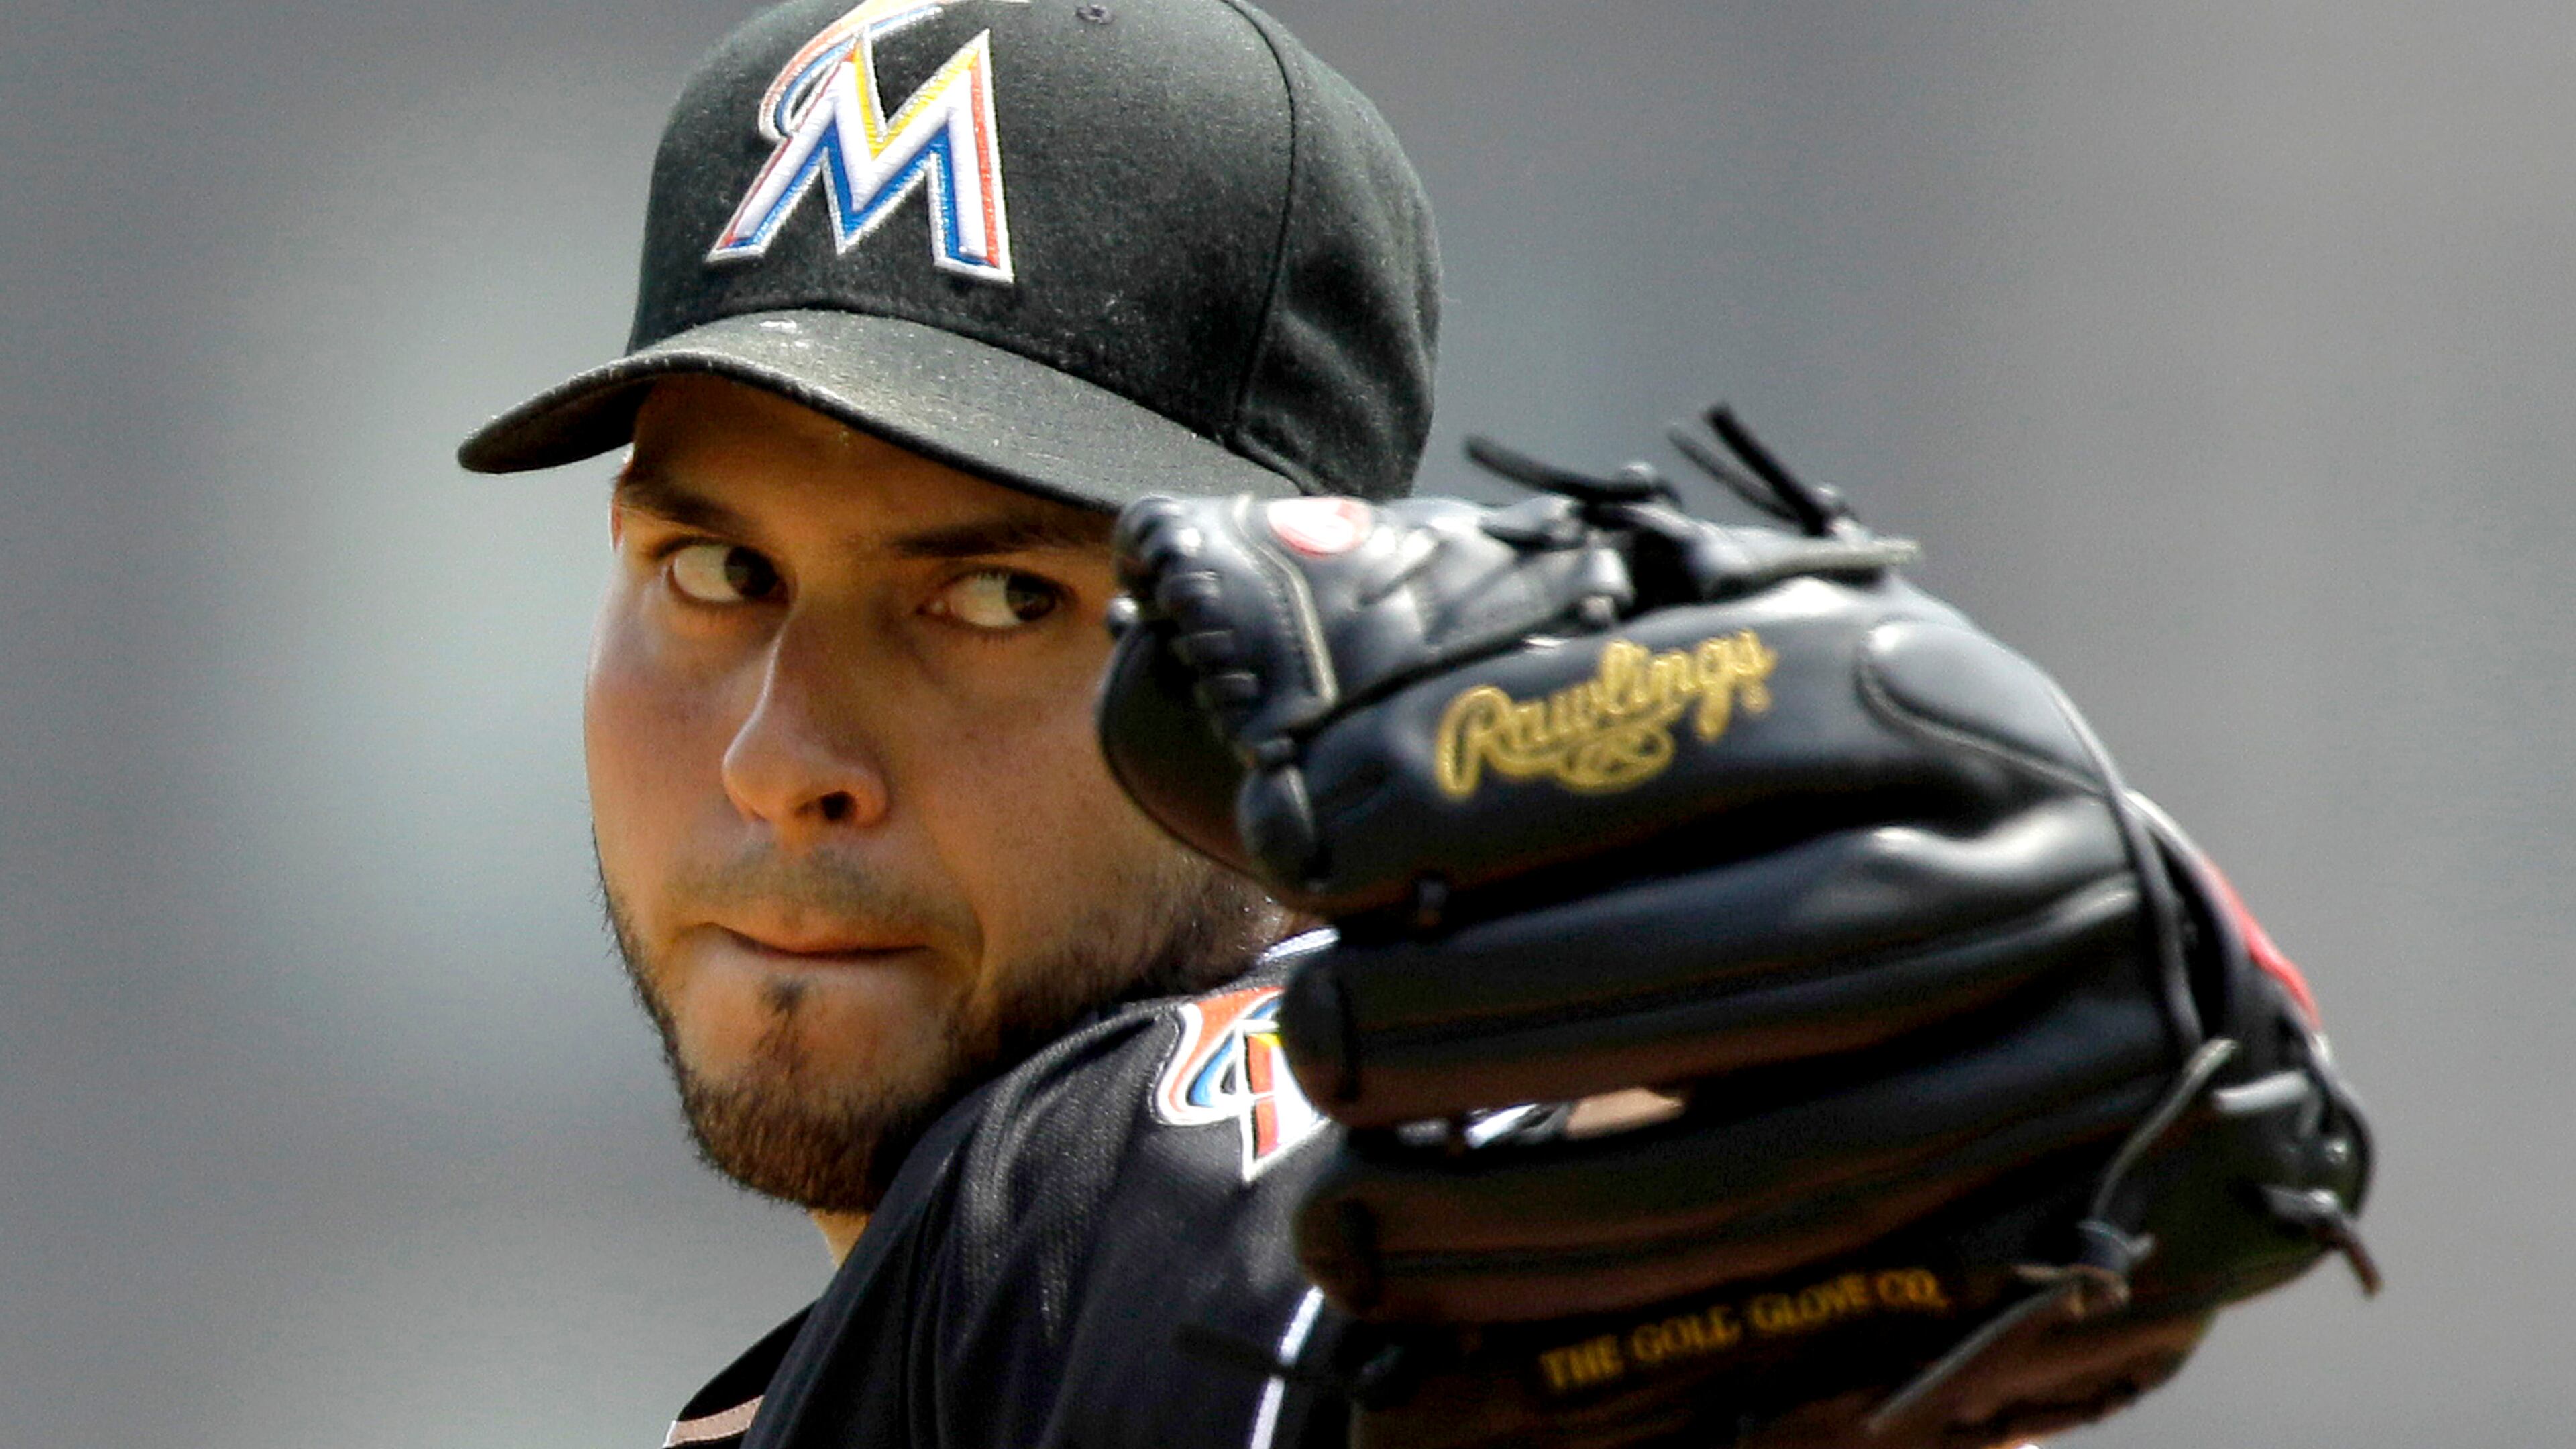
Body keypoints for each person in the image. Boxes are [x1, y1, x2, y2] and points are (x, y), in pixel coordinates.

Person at [461, 2, 2369, 1446]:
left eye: (996, 598)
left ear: (1295, 660)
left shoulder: (1147, 1201)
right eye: (714, 574)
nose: (781, 756)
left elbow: (1285, 1215)